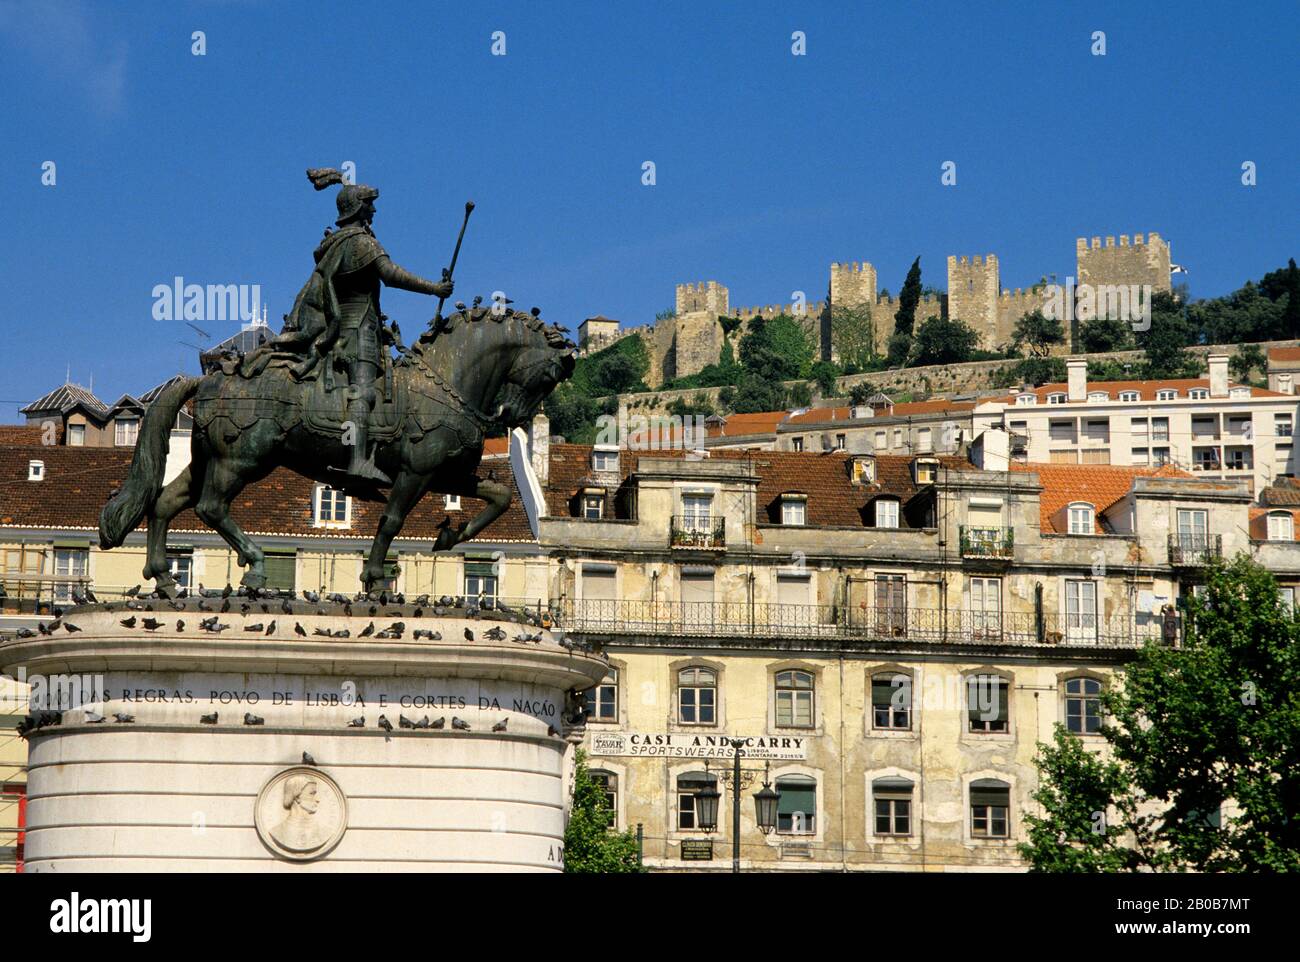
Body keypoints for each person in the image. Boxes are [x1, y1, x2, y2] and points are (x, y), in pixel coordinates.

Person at [278, 168, 452, 486]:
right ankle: (357, 459)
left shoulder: (336, 243)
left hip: (350, 325)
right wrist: (434, 289)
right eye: (370, 204)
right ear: (359, 208)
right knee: (364, 392)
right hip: (358, 329)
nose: (374, 210)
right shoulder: (360, 243)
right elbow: (391, 274)